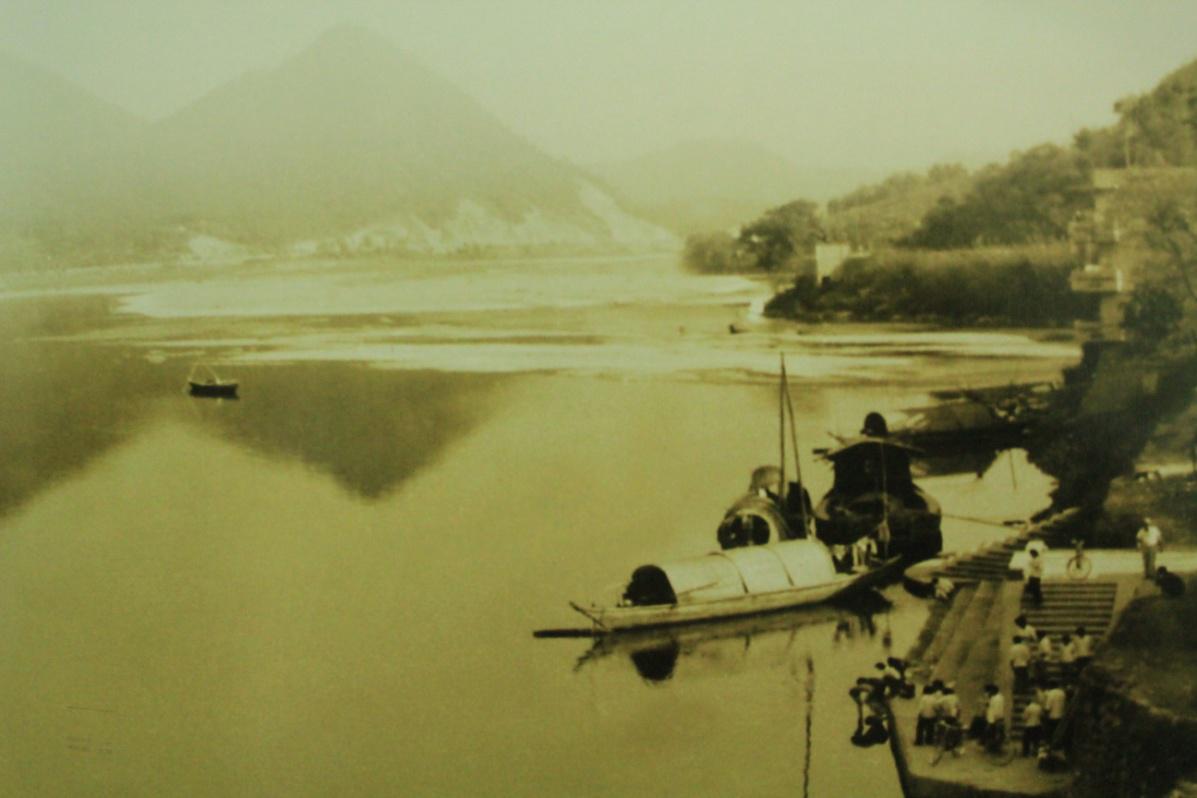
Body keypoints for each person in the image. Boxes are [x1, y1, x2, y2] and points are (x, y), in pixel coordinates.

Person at [983, 684, 1006, 752]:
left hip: (994, 719)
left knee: (993, 734)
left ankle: (993, 748)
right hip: (994, 718)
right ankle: (993, 748)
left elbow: (996, 709)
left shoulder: (997, 698)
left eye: (990, 691)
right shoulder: (997, 697)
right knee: (993, 734)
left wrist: (995, 719)